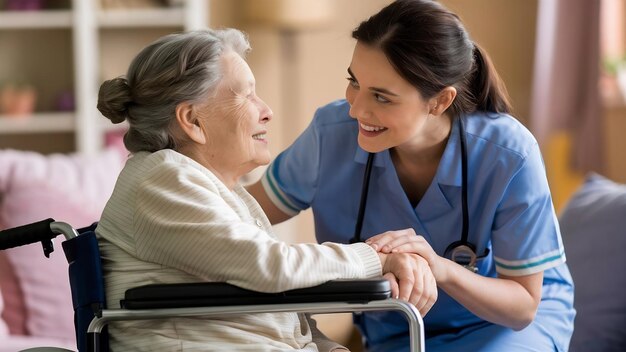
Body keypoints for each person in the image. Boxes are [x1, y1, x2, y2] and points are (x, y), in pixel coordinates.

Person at [247, 1, 575, 351]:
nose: (356, 109)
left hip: (502, 328)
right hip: (399, 325)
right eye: (354, 82)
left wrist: (440, 268)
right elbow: (240, 215)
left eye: (382, 97)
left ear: (439, 101)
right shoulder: (330, 134)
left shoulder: (507, 154)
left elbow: (523, 305)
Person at [95, 28, 437, 351]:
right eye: (247, 95)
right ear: (193, 121)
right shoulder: (162, 179)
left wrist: (325, 345)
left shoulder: (218, 190)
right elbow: (274, 267)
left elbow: (272, 301)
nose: (267, 112)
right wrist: (378, 259)